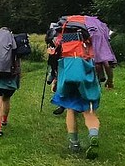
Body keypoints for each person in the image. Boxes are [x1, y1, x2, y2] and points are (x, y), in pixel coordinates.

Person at [48, 15, 102, 157]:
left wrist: (54, 79)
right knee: (89, 112)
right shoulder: (88, 39)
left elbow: (54, 61)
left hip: (68, 76)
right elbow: (99, 59)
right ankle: (93, 135)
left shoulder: (62, 39)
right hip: (86, 76)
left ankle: (74, 143)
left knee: (71, 109)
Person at [84, 15, 117, 89]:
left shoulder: (85, 23)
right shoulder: (100, 23)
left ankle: (100, 79)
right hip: (103, 44)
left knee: (97, 62)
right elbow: (109, 35)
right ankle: (110, 81)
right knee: (106, 62)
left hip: (94, 44)